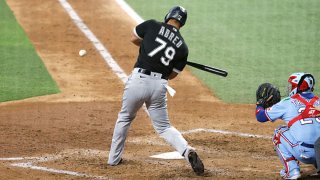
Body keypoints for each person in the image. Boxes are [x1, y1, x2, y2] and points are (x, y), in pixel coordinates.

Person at [107, 6, 204, 175]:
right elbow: (171, 75)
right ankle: (187, 151)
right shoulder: (183, 48)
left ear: (169, 16)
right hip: (159, 86)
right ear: (182, 23)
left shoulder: (152, 25)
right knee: (164, 127)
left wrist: (147, 45)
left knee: (124, 118)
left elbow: (134, 38)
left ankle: (113, 160)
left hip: (139, 80)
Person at [255, 72, 320, 179]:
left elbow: (261, 117)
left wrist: (260, 104)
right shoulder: (318, 101)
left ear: (298, 87)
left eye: (291, 86)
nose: (290, 88)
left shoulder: (287, 102)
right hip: (319, 153)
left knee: (279, 132)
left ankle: (292, 171)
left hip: (304, 154)